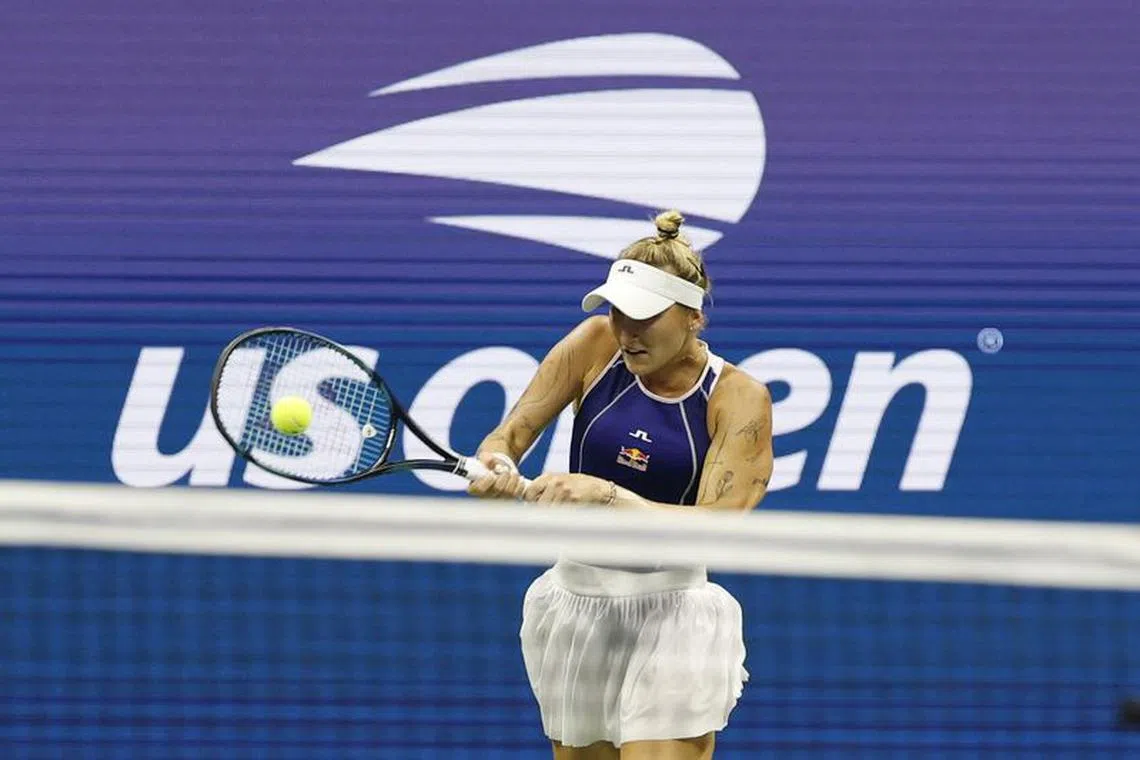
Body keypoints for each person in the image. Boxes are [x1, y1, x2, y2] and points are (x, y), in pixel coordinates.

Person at [468, 210, 774, 760]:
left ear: (693, 316)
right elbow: (510, 434)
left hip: (672, 613)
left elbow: (722, 528)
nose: (626, 330)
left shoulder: (738, 398)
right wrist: (495, 463)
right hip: (575, 607)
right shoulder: (594, 344)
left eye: (645, 317)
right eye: (616, 312)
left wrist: (610, 497)